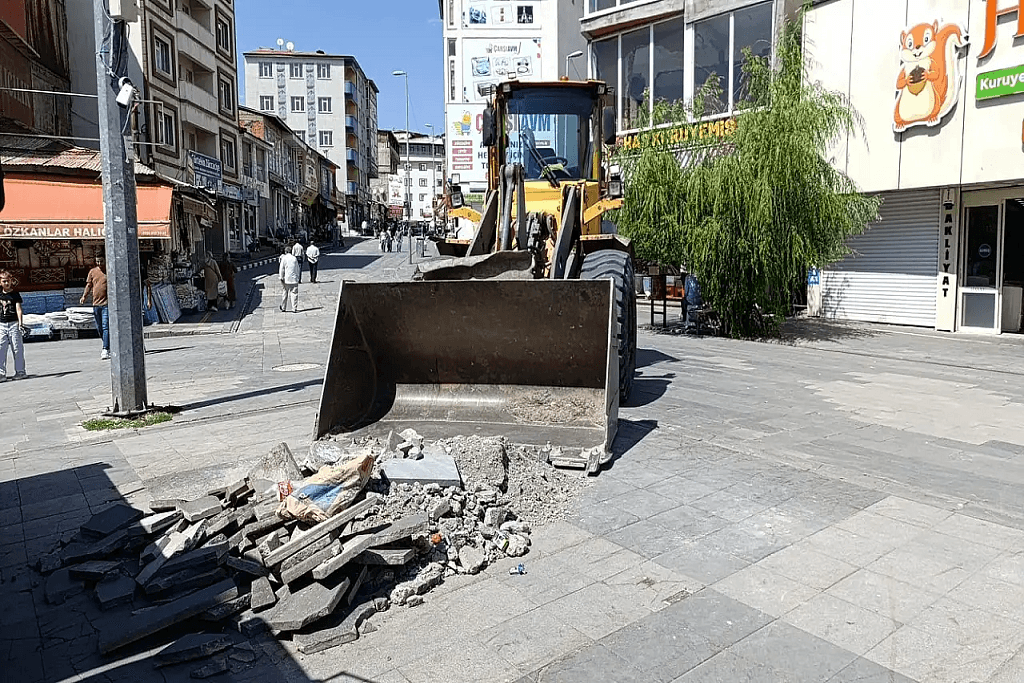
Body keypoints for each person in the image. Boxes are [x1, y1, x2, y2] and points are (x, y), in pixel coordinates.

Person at [81, 256, 110, 360]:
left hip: (106, 304)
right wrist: (84, 296)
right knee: (99, 328)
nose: (99, 263)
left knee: (105, 326)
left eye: (101, 261)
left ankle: (105, 348)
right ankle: (108, 345)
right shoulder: (92, 272)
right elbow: (88, 285)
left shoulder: (109, 270)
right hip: (96, 303)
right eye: (97, 261)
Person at [0, 270, 27, 381]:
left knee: (17, 348)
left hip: (14, 324)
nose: (7, 283)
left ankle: (20, 372)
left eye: (9, 281)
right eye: (4, 281)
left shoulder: (15, 295)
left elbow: (18, 309)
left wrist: (20, 324)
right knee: (1, 348)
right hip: (1, 325)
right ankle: (1, 374)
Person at [279, 245, 300, 313]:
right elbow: (297, 269)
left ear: (285, 251)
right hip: (294, 279)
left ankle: (283, 307)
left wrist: (281, 277)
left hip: (286, 279)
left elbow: (282, 269)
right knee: (294, 294)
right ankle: (294, 308)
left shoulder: (284, 258)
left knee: (285, 293)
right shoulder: (294, 258)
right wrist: (298, 277)